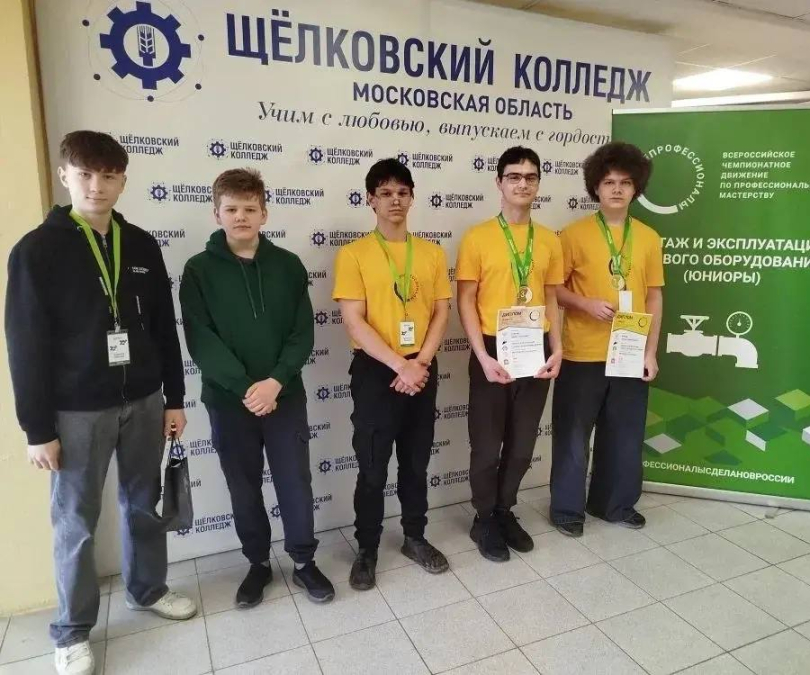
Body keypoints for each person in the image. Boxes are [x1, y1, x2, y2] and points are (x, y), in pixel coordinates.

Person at [5, 131, 196, 675]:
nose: (97, 186)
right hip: (75, 412)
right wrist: (37, 429)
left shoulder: (141, 245)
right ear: (65, 176)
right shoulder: (36, 250)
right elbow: (24, 345)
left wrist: (174, 397)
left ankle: (147, 589)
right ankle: (71, 630)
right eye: (85, 174)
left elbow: (163, 329)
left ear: (123, 181)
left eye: (109, 176)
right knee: (76, 522)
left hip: (144, 401)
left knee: (143, 504)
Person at [179, 168, 334, 606]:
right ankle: (258, 564)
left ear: (264, 214)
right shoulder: (198, 270)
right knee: (243, 486)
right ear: (217, 214)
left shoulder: (288, 265)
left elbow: (302, 333)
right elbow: (201, 339)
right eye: (231, 209)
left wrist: (275, 382)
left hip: (284, 397)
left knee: (295, 482)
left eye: (250, 209)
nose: (241, 217)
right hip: (229, 401)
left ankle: (304, 561)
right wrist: (248, 388)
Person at [332, 158, 451, 590]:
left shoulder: (432, 253)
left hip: (421, 367)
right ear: (371, 200)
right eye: (385, 193)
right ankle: (367, 549)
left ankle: (415, 537)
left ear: (412, 197)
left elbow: (441, 312)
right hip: (376, 370)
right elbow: (354, 320)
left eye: (402, 192)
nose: (395, 200)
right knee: (372, 467)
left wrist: (420, 363)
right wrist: (400, 365)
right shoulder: (354, 254)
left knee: (415, 462)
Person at [551, 141, 664, 537]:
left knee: (625, 435)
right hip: (582, 352)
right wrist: (584, 303)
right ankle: (567, 509)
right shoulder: (573, 235)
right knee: (573, 435)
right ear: (595, 188)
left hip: (631, 353)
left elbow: (654, 295)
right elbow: (554, 290)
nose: (617, 189)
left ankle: (614, 504)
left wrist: (651, 351)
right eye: (609, 182)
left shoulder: (649, 237)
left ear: (637, 188)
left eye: (625, 182)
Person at [456, 146, 563, 563]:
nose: (523, 183)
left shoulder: (549, 239)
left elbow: (551, 298)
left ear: (538, 184)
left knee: (521, 446)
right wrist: (481, 356)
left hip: (535, 347)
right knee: (487, 446)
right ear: (499, 182)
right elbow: (465, 300)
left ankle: (505, 510)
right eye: (514, 176)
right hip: (492, 349)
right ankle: (483, 517)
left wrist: (558, 348)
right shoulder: (477, 237)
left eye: (530, 177)